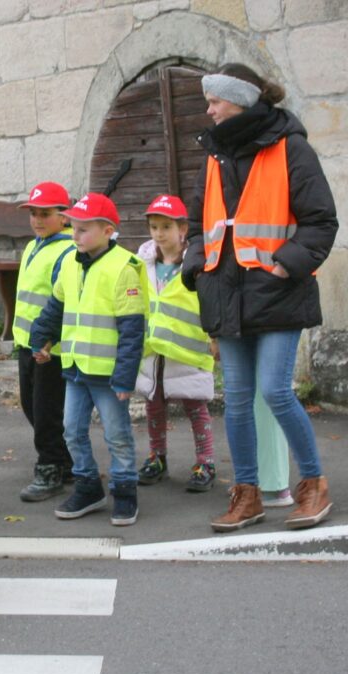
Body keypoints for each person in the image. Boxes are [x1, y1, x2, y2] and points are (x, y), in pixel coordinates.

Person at [181, 63, 338, 532]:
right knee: (239, 398)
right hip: (225, 292)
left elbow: (321, 220)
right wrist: (195, 265)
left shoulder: (291, 147)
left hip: (277, 289)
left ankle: (314, 484)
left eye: (215, 101)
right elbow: (197, 223)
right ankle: (246, 494)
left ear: (242, 101)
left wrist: (288, 262)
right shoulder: (214, 155)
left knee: (274, 390)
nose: (208, 110)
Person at [30, 192, 147, 526]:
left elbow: (131, 330)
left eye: (83, 230)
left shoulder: (123, 267)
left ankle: (124, 491)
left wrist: (125, 377)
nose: (75, 235)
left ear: (108, 231)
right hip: (77, 368)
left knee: (117, 434)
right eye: (74, 228)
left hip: (109, 375)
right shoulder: (69, 262)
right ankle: (88, 487)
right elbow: (55, 309)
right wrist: (42, 339)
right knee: (71, 431)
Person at [135, 195, 217, 492]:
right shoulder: (143, 262)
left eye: (166, 226)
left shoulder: (195, 263)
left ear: (183, 228)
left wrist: (213, 337)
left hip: (187, 350)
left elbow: (208, 301)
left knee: (196, 407)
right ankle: (157, 457)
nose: (159, 233)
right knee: (153, 406)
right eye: (154, 226)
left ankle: (205, 461)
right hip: (154, 350)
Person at [14, 182, 77, 502]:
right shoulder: (33, 246)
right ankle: (65, 460)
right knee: (31, 405)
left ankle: (50, 466)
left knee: (46, 410)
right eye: (34, 214)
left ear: (64, 217)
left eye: (46, 214)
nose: (38, 220)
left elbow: (60, 302)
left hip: (50, 350)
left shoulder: (66, 252)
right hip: (27, 343)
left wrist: (49, 341)